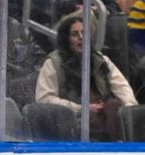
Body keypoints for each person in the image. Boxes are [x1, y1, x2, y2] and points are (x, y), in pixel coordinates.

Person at [36, 11, 137, 141]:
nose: (81, 37)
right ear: (66, 39)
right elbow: (44, 99)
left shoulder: (101, 60)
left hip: (103, 116)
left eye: (84, 33)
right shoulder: (53, 63)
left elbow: (122, 88)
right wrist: (81, 109)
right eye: (75, 34)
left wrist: (129, 110)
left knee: (113, 105)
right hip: (72, 122)